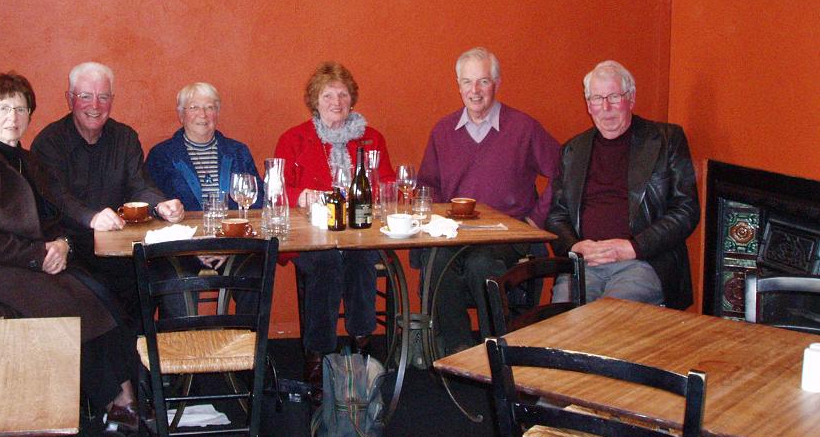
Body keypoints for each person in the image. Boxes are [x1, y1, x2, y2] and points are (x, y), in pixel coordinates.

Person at [0, 72, 140, 435]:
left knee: (102, 292)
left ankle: (124, 395)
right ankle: (117, 400)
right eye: (2, 108)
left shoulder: (29, 162)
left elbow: (55, 214)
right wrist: (39, 254)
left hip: (35, 262)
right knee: (76, 305)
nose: (12, 117)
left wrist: (63, 244)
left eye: (20, 109)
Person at [417, 47, 560, 354]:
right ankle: (458, 351)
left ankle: (495, 350)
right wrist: (436, 222)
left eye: (483, 81)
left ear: (496, 83)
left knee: (481, 264)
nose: (475, 90)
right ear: (458, 85)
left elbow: (562, 172)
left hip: (507, 233)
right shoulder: (443, 131)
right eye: (467, 82)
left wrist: (535, 220)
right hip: (456, 233)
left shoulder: (523, 127)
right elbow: (427, 186)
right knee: (437, 261)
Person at [31, 61, 184, 329]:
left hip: (121, 250)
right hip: (72, 249)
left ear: (112, 100)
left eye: (103, 97)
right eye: (85, 96)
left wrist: (161, 205)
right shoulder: (49, 142)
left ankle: (144, 353)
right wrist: (91, 218)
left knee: (161, 279)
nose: (95, 105)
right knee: (102, 297)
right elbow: (56, 196)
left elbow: (140, 185)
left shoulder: (125, 137)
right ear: (69, 99)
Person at [275, 62, 395, 386]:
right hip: (311, 237)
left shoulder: (371, 139)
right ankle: (318, 353)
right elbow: (276, 189)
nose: (336, 102)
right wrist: (301, 196)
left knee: (359, 257)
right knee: (327, 261)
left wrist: (374, 192)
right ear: (315, 100)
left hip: (360, 233)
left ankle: (361, 341)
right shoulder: (294, 139)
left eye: (343, 94)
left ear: (352, 99)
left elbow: (388, 185)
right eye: (328, 95)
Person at [547, 60, 699, 308]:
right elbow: (556, 216)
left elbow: (687, 210)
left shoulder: (666, 140)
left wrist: (634, 247)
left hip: (643, 263)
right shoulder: (573, 151)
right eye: (597, 99)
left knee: (608, 316)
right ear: (588, 104)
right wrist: (575, 247)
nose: (606, 108)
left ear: (631, 98)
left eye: (614, 97)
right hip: (585, 264)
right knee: (562, 317)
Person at [145, 82, 263, 212]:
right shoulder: (161, 155)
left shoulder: (238, 152)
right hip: (183, 225)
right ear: (181, 115)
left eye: (209, 107)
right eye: (194, 107)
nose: (202, 114)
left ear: (217, 113)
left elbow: (257, 199)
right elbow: (152, 202)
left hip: (233, 225)